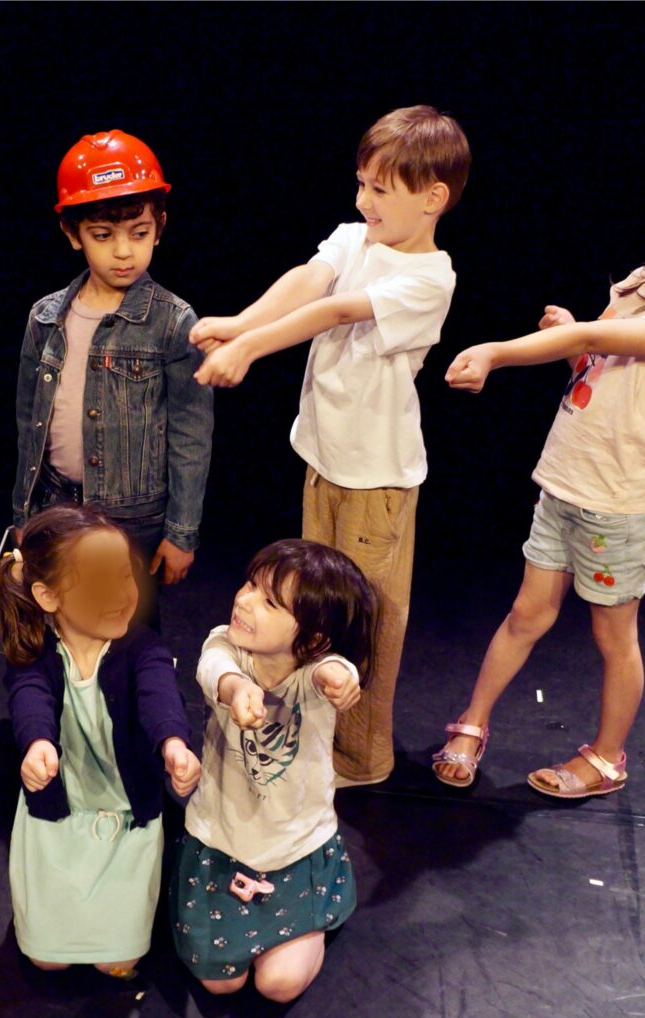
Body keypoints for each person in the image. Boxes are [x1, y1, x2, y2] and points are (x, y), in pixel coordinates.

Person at [433, 144, 645, 796]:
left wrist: (497, 352)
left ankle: (605, 759)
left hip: (617, 504)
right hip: (564, 483)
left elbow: (591, 340)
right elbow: (594, 362)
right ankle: (472, 722)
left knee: (613, 638)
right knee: (525, 614)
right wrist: (570, 335)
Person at [189, 105, 471, 785]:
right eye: (361, 183)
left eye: (379, 188)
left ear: (432, 198)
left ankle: (361, 756)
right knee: (316, 611)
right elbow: (306, 282)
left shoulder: (430, 278)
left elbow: (335, 311)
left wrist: (251, 349)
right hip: (325, 460)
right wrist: (240, 322)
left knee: (366, 617)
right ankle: (319, 736)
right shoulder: (354, 239)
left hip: (376, 478)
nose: (362, 200)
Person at [0, 503, 201, 974]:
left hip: (125, 810)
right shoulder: (36, 651)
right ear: (48, 596)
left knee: (119, 960)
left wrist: (174, 744)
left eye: (123, 575)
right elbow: (29, 697)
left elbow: (159, 695)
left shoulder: (143, 646)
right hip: (63, 805)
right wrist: (38, 744)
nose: (119, 594)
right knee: (46, 960)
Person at [11, 130, 214, 625]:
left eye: (139, 233)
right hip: (55, 505)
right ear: (72, 232)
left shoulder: (173, 320)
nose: (124, 252)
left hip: (134, 520)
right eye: (103, 235)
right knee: (56, 632)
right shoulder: (45, 317)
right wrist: (24, 517)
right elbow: (28, 422)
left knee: (128, 638)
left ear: (159, 227)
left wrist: (181, 532)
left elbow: (192, 432)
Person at [171, 539, 376, 1002]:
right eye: (250, 585)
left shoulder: (315, 672)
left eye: (269, 602)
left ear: (313, 639)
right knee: (219, 983)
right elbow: (214, 668)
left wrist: (340, 680)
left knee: (279, 985)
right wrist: (237, 688)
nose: (244, 601)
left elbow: (335, 672)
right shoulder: (226, 645)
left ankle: (307, 924)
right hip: (220, 842)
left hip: (294, 850)